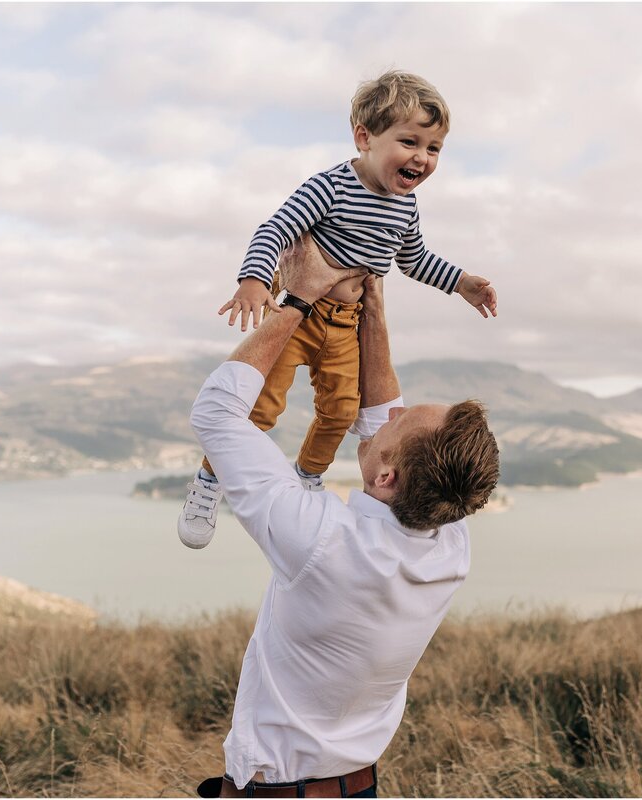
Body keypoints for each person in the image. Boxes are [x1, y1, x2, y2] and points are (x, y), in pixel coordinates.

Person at [188, 236, 500, 798]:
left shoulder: (320, 539)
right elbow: (386, 416)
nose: (380, 418)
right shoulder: (449, 536)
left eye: (392, 429)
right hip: (356, 787)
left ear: (386, 477)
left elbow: (216, 412)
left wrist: (301, 297)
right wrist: (372, 304)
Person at [178, 69, 498, 549]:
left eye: (433, 149)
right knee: (261, 407)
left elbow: (414, 261)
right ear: (364, 137)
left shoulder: (405, 210)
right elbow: (276, 229)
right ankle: (208, 483)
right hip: (299, 317)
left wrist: (460, 283)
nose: (422, 158)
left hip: (347, 328)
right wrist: (253, 279)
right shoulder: (330, 187)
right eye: (410, 142)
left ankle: (308, 476)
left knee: (341, 411)